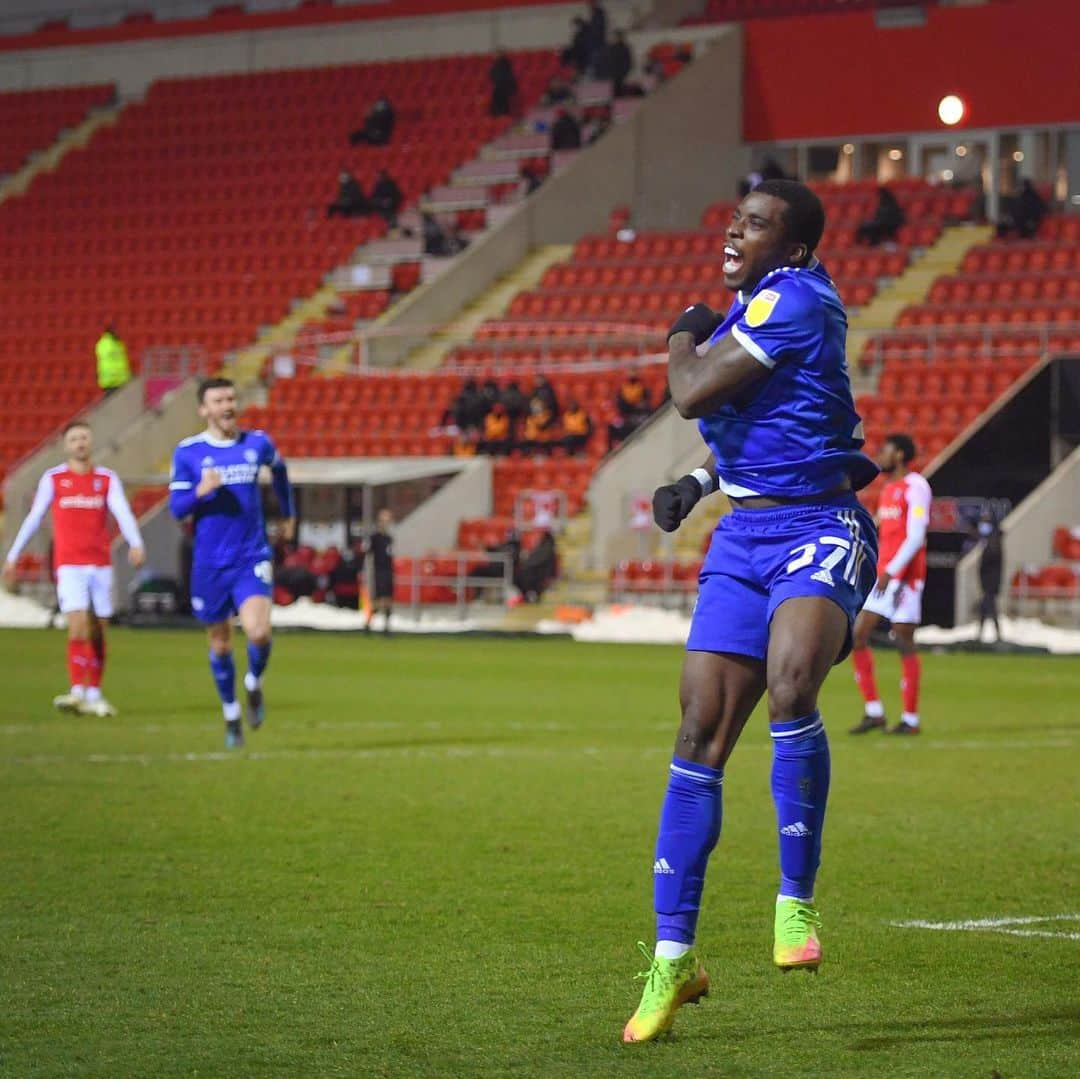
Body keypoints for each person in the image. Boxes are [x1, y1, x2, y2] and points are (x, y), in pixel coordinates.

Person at [622, 180, 878, 1044]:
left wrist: (682, 326)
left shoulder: (796, 299)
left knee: (792, 680)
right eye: (734, 216)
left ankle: (795, 904)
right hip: (745, 538)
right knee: (698, 728)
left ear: (797, 247)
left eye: (759, 223)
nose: (736, 227)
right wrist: (697, 484)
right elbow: (746, 418)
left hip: (821, 525)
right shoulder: (765, 305)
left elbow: (693, 390)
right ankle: (672, 956)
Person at [168, 377, 296, 749]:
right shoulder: (188, 453)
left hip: (250, 555)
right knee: (221, 643)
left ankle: (253, 683)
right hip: (209, 564)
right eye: (218, 400)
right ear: (203, 410)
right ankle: (231, 715)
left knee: (258, 631)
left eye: (231, 397)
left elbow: (282, 472)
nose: (227, 405)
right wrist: (200, 492)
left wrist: (288, 514)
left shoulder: (257, 443)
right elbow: (177, 509)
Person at [3, 421, 145, 717]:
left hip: (101, 564)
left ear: (91, 443)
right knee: (77, 625)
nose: (80, 443)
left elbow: (122, 511)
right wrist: (13, 555)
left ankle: (94, 692)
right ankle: (78, 690)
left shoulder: (106, 478)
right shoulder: (54, 479)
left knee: (98, 630)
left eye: (84, 438)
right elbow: (34, 517)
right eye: (74, 439)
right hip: (69, 565)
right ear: (66, 446)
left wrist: (135, 542)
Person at [849, 434, 931, 736]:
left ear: (899, 454)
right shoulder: (888, 489)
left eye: (884, 450)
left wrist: (893, 570)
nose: (879, 456)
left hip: (905, 578)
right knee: (858, 636)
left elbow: (915, 536)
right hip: (884, 576)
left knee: (903, 640)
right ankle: (875, 712)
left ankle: (910, 718)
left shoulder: (917, 486)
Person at [975, 507, 1004, 644]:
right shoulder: (989, 539)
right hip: (988, 582)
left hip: (991, 582)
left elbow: (991, 558)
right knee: (987, 608)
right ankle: (989, 634)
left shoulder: (994, 540)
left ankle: (994, 635)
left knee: (988, 607)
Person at [364, 509, 395, 634]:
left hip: (388, 571)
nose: (385, 523)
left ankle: (386, 627)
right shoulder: (374, 538)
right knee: (378, 600)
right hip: (379, 571)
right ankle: (368, 624)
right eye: (383, 520)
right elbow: (368, 554)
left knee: (388, 599)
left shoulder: (389, 538)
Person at [607, 372, 651, 448]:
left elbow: (646, 403)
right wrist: (631, 405)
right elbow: (621, 405)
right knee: (614, 426)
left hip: (639, 417)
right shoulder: (624, 388)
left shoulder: (642, 387)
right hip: (627, 417)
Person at [514, 530, 558, 601]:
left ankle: (532, 595)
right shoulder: (542, 549)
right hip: (536, 578)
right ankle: (530, 595)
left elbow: (535, 563)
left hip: (541, 578)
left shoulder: (546, 549)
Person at [95, 325, 131, 395]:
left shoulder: (118, 343)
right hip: (111, 381)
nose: (118, 332)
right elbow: (107, 360)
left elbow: (122, 361)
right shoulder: (105, 343)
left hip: (121, 380)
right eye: (115, 330)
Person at [489, 50, 518, 117]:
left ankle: (501, 115)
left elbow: (500, 76)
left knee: (501, 104)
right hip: (502, 88)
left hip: (502, 88)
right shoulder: (500, 65)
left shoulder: (503, 65)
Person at [609, 30, 633, 97]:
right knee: (615, 86)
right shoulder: (612, 47)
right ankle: (617, 97)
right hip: (614, 70)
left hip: (621, 70)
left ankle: (620, 97)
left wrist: (627, 69)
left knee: (620, 85)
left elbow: (628, 59)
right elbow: (609, 59)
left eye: (617, 37)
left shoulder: (625, 47)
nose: (616, 38)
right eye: (615, 37)